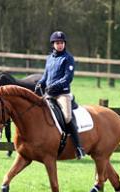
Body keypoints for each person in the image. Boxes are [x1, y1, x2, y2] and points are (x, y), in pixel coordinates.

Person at [35, 31, 85, 159]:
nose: (60, 45)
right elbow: (46, 76)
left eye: (62, 43)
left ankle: (79, 147)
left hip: (62, 94)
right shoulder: (50, 58)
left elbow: (67, 78)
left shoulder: (68, 58)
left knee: (67, 118)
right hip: (49, 94)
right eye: (57, 43)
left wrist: (54, 86)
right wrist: (40, 83)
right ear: (53, 44)